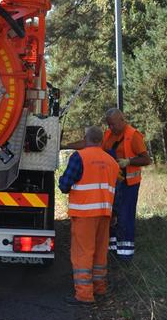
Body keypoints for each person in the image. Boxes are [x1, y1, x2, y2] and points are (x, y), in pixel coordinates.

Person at [58, 125, 120, 304]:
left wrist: (62, 181)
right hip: (105, 214)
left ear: (86, 139)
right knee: (100, 252)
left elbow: (65, 185)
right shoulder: (111, 161)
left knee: (83, 253)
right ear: (101, 140)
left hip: (85, 214)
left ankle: (84, 294)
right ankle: (99, 288)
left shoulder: (80, 157)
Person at [101, 108, 150, 260]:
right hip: (113, 183)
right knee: (111, 216)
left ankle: (125, 255)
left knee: (125, 217)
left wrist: (129, 161)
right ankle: (112, 249)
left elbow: (146, 159)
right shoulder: (108, 134)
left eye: (113, 125)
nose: (111, 128)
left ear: (122, 120)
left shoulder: (133, 136)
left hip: (129, 184)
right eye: (108, 125)